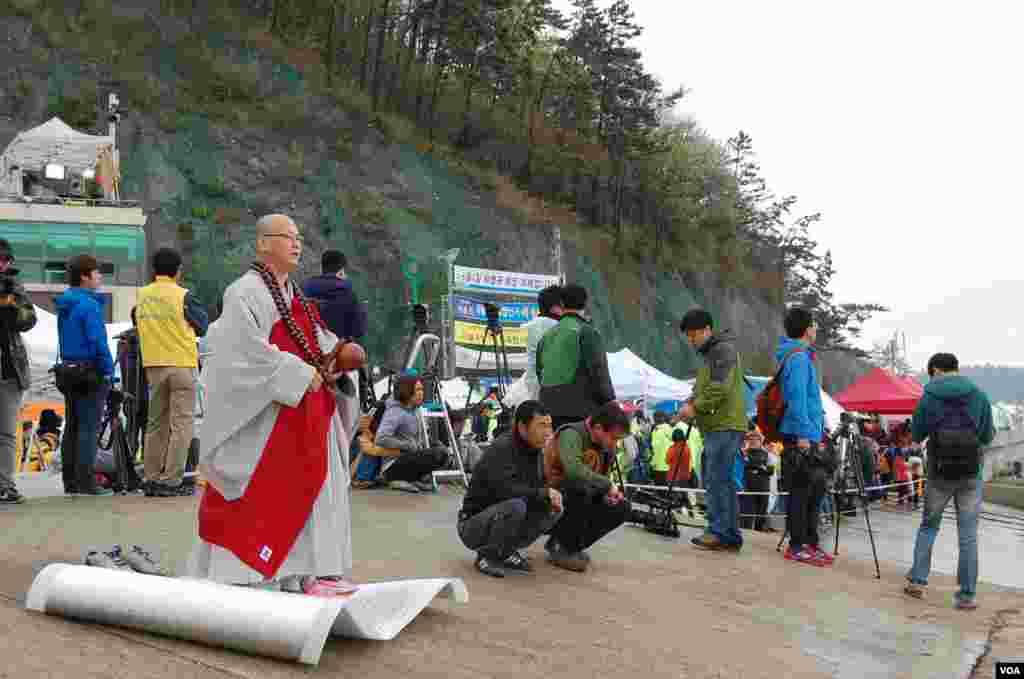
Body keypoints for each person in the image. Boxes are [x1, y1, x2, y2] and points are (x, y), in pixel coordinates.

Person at [186, 214, 358, 586]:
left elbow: (318, 342)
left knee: (310, 493)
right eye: (287, 237)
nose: (297, 244)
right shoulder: (244, 292)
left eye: (299, 238)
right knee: (265, 496)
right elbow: (239, 353)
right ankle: (249, 577)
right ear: (263, 243)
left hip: (306, 412)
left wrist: (337, 357)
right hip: (268, 416)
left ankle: (301, 572)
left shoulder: (295, 295)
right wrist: (298, 374)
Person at [904, 352, 994, 610]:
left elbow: (917, 433)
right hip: (970, 475)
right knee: (968, 534)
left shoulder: (929, 396)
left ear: (936, 370)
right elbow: (987, 436)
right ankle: (966, 595)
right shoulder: (979, 395)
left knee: (929, 526)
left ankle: (918, 582)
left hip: (939, 472)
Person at [458, 400, 563, 578]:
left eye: (549, 426)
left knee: (552, 507)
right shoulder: (503, 448)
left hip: (503, 512)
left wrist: (552, 492)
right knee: (517, 505)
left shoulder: (535, 450)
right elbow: (505, 490)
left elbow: (537, 487)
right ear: (522, 427)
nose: (547, 432)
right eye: (541, 425)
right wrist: (542, 492)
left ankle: (506, 550)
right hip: (473, 525)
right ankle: (486, 556)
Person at [136, 248, 209, 497]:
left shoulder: (142, 296)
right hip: (181, 366)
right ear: (178, 270)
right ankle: (171, 480)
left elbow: (136, 321)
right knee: (182, 424)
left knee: (155, 424)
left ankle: (151, 477)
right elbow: (202, 326)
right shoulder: (184, 296)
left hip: (153, 366)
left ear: (154, 270)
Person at [677, 309, 747, 552]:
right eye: (688, 336)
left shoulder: (722, 350)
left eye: (693, 334)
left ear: (707, 329)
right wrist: (691, 401)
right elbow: (705, 387)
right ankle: (728, 534)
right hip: (720, 424)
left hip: (724, 424)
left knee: (716, 479)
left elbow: (720, 388)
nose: (691, 340)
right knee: (721, 479)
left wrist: (695, 407)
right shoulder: (712, 354)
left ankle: (718, 531)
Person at [542, 402, 631, 572]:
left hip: (580, 495)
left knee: (622, 507)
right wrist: (606, 485)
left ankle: (569, 546)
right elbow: (573, 470)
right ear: (598, 428)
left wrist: (608, 495)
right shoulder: (572, 434)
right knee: (579, 487)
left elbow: (599, 479)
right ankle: (563, 548)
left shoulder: (606, 448)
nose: (615, 444)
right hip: (551, 496)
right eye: (613, 438)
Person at [774, 307, 832, 566]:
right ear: (807, 328)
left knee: (816, 487)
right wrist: (802, 435)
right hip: (800, 435)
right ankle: (797, 544)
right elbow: (796, 399)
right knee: (800, 491)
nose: (817, 329)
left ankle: (810, 541)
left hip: (809, 433)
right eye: (814, 325)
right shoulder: (797, 358)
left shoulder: (802, 356)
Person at [55, 254, 115, 497]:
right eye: (96, 273)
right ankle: (87, 482)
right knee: (90, 427)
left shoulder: (65, 304)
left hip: (68, 370)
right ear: (84, 276)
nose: (99, 277)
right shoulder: (89, 305)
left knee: (73, 426)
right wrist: (108, 370)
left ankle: (70, 480)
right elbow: (98, 341)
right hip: (90, 371)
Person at [536, 284, 615, 430]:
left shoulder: (545, 338)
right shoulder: (587, 332)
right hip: (581, 413)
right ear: (585, 303)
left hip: (548, 411)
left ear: (562, 304)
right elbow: (599, 372)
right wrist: (610, 402)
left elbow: (540, 374)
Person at [0, 238, 37, 503]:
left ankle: (5, 485)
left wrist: (12, 308)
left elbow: (29, 319)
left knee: (6, 433)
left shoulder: (14, 287)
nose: (3, 265)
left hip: (9, 370)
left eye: (5, 260)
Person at [374, 374, 449, 493]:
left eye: (422, 389)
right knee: (439, 453)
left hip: (409, 457)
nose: (421, 393)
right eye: (418, 389)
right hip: (393, 464)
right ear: (407, 390)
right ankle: (393, 479)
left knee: (443, 453)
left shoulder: (416, 411)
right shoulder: (395, 411)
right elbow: (380, 438)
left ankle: (410, 479)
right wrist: (406, 445)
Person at [522, 285, 562, 401]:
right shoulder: (555, 326)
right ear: (554, 307)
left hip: (533, 387)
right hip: (552, 392)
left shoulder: (535, 324)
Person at [740, 428, 774, 532]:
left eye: (756, 439)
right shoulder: (743, 453)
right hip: (747, 487)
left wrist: (756, 468)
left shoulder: (767, 454)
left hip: (763, 487)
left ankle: (759, 532)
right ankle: (745, 533)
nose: (753, 441)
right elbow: (743, 466)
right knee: (746, 514)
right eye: (751, 439)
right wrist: (759, 467)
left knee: (761, 513)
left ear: (760, 441)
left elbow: (770, 470)